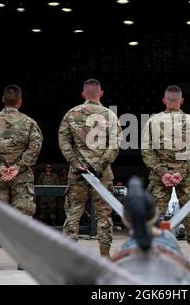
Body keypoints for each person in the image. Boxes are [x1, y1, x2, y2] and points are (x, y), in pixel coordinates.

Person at [0, 84, 43, 269]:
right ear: (20, 102)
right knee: (22, 216)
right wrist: (18, 167)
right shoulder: (30, 123)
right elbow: (35, 147)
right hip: (21, 177)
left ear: (2, 100)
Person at [141, 85, 190, 262]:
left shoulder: (152, 122)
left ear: (164, 101)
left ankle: (151, 255)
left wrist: (162, 172)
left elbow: (146, 151)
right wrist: (182, 172)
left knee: (154, 216)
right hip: (187, 176)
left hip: (159, 176)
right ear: (181, 101)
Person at [58, 79, 122, 257]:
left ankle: (68, 256)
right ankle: (104, 256)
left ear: (83, 94)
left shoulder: (71, 114)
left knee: (73, 214)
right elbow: (115, 145)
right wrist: (100, 164)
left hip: (78, 173)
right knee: (104, 217)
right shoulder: (110, 115)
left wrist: (74, 161)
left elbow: (63, 141)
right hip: (102, 175)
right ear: (101, 94)